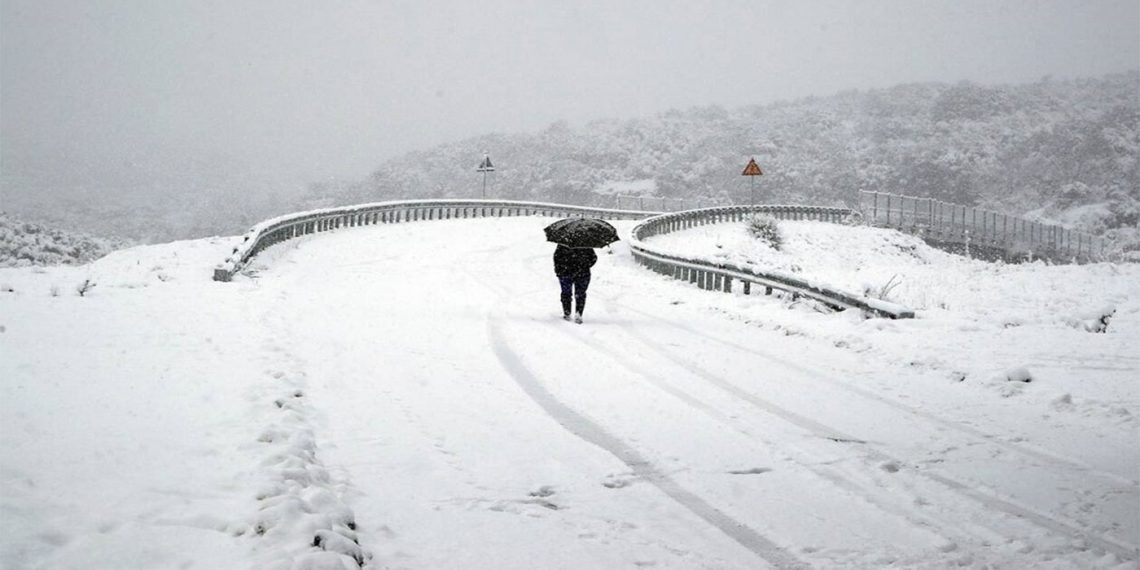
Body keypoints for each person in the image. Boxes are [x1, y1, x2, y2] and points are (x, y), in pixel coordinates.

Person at [553, 244, 597, 323]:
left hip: (565, 272)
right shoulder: (585, 244)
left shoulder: (563, 244)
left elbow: (556, 257)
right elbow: (593, 258)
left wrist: (559, 270)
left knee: (566, 293)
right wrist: (585, 265)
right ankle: (579, 313)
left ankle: (567, 312)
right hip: (582, 273)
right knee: (580, 294)